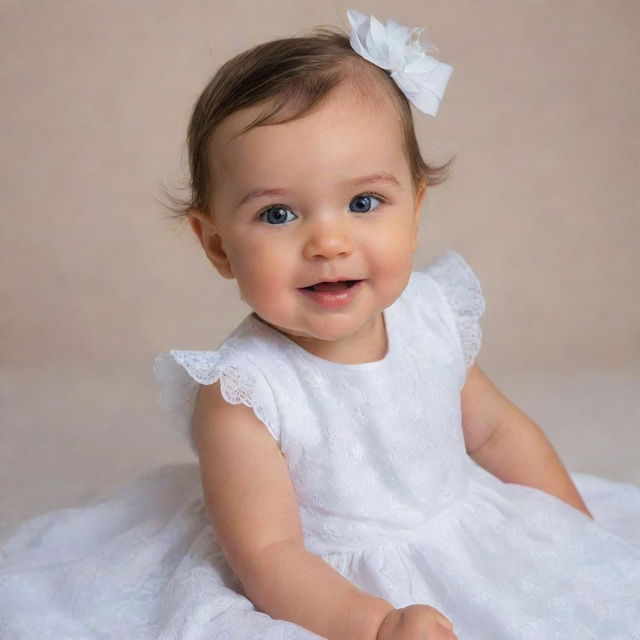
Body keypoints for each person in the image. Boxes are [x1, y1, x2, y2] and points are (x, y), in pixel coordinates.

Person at [1, 9, 639, 640]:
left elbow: (498, 432)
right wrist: (378, 625)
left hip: (460, 525)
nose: (328, 243)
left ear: (414, 211)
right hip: (323, 584)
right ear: (218, 245)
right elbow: (270, 556)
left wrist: (572, 533)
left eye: (364, 203)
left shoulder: (427, 315)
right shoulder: (245, 393)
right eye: (278, 215)